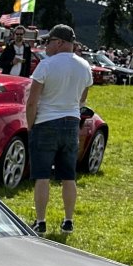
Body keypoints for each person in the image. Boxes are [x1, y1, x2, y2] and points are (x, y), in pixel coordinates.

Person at [24, 23, 92, 235]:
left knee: (42, 175)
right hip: (71, 122)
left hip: (45, 122)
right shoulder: (84, 66)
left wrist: (30, 125)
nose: (47, 46)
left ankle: (41, 221)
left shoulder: (46, 65)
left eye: (50, 41)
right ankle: (68, 221)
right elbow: (82, 98)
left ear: (60, 42)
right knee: (68, 176)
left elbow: (32, 102)